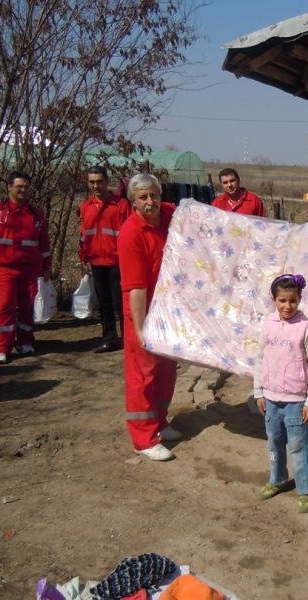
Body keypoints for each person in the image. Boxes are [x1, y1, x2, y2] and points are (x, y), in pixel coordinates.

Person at [118, 173, 180, 461]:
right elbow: (136, 288)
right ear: (133, 201)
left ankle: (159, 421)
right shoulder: (131, 234)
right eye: (143, 197)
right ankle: (143, 438)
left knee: (166, 369)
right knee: (143, 373)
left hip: (168, 309)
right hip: (142, 310)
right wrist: (141, 329)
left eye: (153, 195)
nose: (150, 201)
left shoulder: (168, 213)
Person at [253, 273, 308, 514]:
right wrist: (259, 392)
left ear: (299, 299)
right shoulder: (268, 325)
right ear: (274, 300)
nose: (287, 306)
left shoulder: (305, 328)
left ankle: (304, 490)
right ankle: (278, 479)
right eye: (282, 300)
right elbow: (260, 359)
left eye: (292, 300)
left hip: (296, 402)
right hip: (271, 400)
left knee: (298, 446)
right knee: (274, 443)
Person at [0, 171, 52, 364]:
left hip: (30, 269)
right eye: (19, 186)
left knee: (27, 308)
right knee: (6, 307)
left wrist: (46, 267)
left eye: (26, 187)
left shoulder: (35, 213)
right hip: (4, 269)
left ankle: (25, 341)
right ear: (9, 187)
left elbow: (44, 243)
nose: (23, 190)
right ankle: (2, 347)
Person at [78, 165, 131, 352]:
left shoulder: (121, 205)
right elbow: (84, 234)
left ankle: (128, 340)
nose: (95, 186)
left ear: (107, 182)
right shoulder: (86, 207)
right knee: (104, 303)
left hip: (118, 262)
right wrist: (83, 257)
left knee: (120, 303)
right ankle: (109, 339)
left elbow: (129, 234)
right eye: (92, 182)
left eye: (99, 181)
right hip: (96, 262)